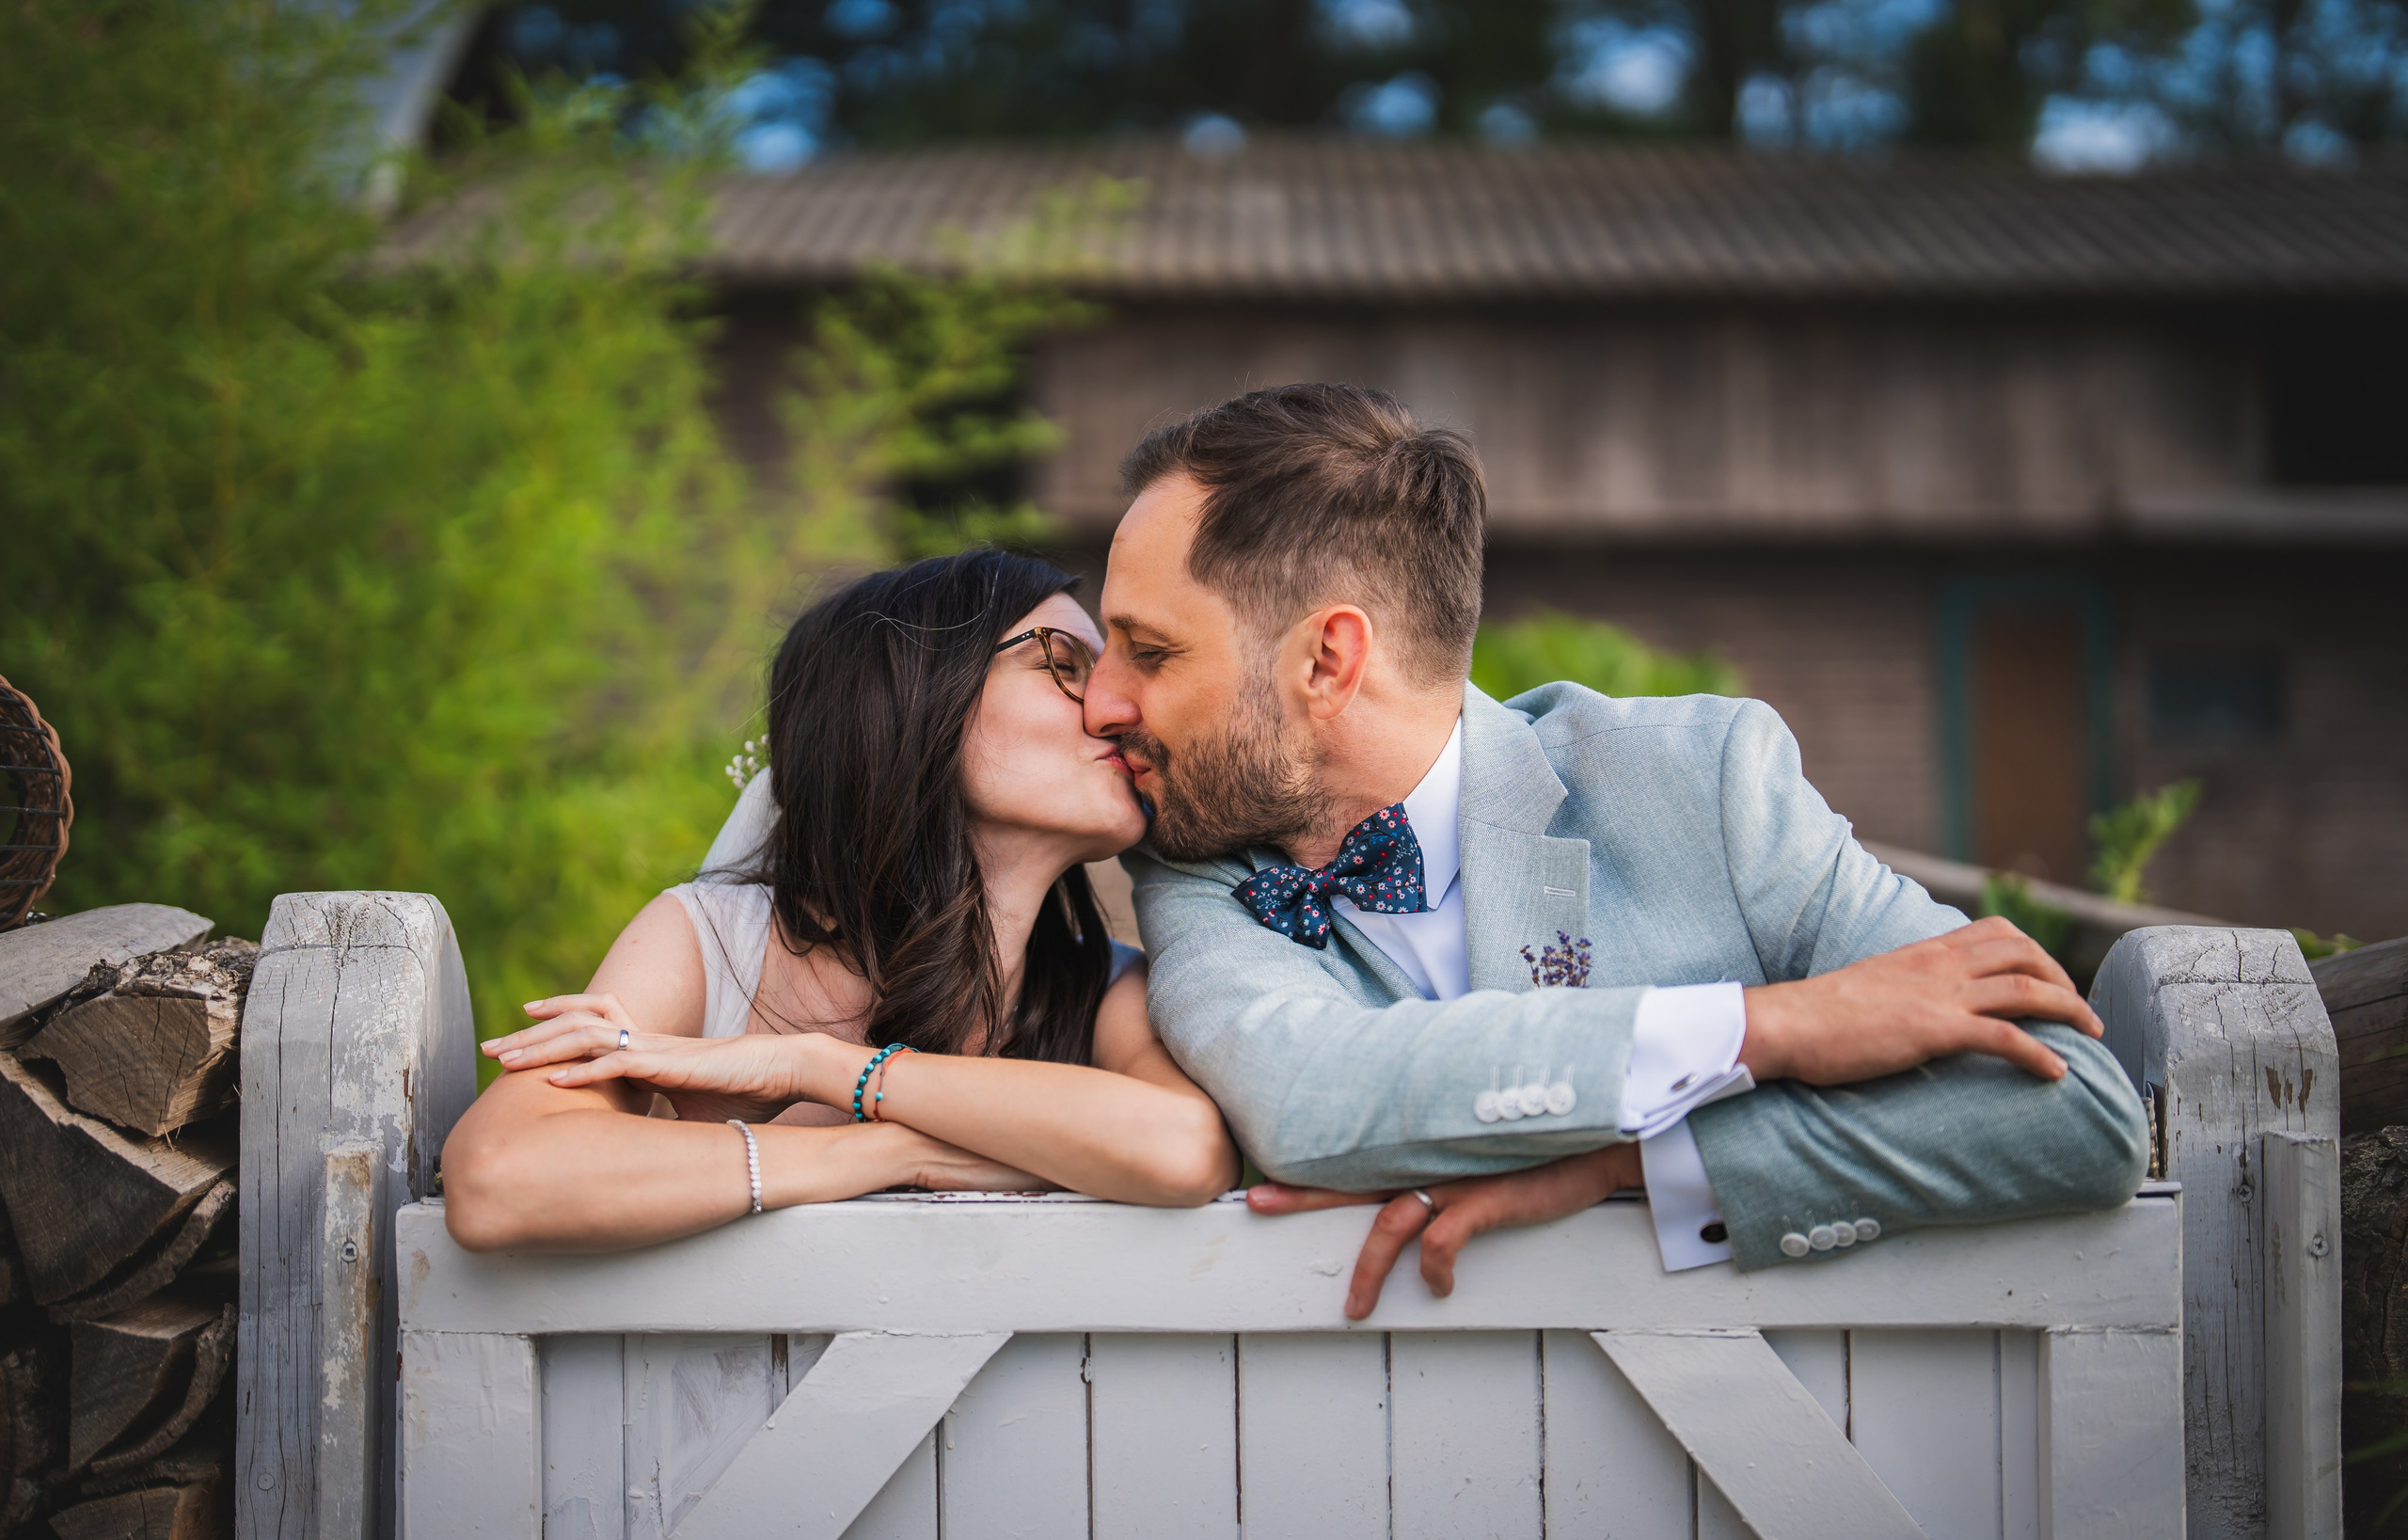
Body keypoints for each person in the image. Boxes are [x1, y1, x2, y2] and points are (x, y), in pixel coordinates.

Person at [1083, 382, 2148, 1318]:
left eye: (1149, 650)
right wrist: (1764, 1028)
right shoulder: (1193, 856)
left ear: (1327, 657)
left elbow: (2081, 1114)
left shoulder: (1700, 784)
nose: (1100, 699)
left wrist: (1629, 1160)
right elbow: (1308, 1100)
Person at [441, 551, 1240, 1253]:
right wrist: (892, 1153)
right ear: (913, 696)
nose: (1115, 708)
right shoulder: (713, 941)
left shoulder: (1100, 987)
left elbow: (1185, 1150)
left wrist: (817, 1068)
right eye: (1065, 663)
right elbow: (499, 1176)